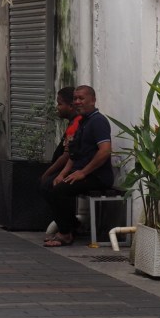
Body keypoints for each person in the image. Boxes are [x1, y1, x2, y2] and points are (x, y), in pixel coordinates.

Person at [43, 84, 114, 248]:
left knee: (59, 190)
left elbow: (105, 151)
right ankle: (73, 226)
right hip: (81, 173)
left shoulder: (98, 121)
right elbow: (73, 154)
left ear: (93, 100)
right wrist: (62, 173)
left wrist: (83, 172)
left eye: (81, 98)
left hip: (97, 176)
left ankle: (65, 233)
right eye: (75, 99)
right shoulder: (82, 122)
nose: (77, 102)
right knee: (47, 185)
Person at [39, 87, 83, 242]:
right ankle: (72, 224)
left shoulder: (76, 124)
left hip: (78, 170)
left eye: (59, 104)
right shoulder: (74, 123)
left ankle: (66, 230)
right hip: (72, 168)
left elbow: (67, 155)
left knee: (50, 186)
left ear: (70, 106)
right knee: (48, 185)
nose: (57, 108)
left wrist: (49, 173)